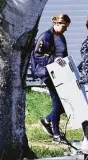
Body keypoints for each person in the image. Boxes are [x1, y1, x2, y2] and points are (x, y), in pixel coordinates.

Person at [32, 13, 71, 143]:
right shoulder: (46, 36)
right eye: (64, 26)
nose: (65, 29)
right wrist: (54, 59)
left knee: (65, 102)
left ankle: (47, 120)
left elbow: (63, 55)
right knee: (57, 102)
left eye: (67, 27)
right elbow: (37, 55)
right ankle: (56, 135)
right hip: (48, 73)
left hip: (60, 73)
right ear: (56, 24)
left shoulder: (62, 37)